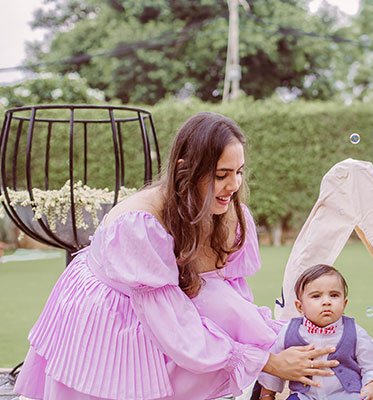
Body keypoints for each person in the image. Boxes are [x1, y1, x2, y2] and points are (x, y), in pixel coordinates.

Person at [14, 112, 339, 400]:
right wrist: (266, 361)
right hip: (109, 308)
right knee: (130, 382)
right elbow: (175, 327)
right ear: (186, 170)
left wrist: (268, 344)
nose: (233, 185)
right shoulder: (140, 226)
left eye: (238, 172)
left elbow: (228, 298)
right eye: (221, 174)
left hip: (161, 302)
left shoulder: (228, 214)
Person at [258, 264, 373, 400]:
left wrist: (371, 386)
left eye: (334, 295)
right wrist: (268, 394)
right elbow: (277, 365)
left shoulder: (355, 332)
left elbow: (372, 365)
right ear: (300, 306)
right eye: (316, 296)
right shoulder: (289, 332)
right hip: (305, 395)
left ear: (344, 304)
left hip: (346, 394)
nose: (327, 302)